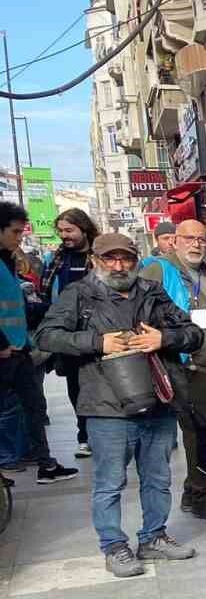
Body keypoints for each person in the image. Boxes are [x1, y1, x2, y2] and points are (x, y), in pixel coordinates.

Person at [34, 232, 204, 576]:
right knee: (110, 482)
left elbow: (193, 333)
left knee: (157, 476)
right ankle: (114, 546)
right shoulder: (79, 294)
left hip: (157, 397)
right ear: (96, 261)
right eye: (109, 259)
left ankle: (153, 536)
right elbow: (45, 337)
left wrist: (163, 338)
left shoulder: (151, 292)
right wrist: (98, 342)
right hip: (106, 404)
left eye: (125, 258)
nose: (118, 265)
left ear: (135, 259)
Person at [144, 219, 206, 522]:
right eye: (189, 238)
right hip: (185, 364)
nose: (196, 244)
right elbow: (140, 311)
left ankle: (193, 488)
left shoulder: (205, 271)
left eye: (202, 239)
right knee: (200, 433)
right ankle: (202, 496)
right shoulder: (159, 269)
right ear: (174, 240)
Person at [0, 202, 78, 482]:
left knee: (33, 407)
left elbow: (15, 306)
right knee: (7, 410)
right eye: (15, 232)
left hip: (19, 349)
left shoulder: (7, 261)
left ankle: (46, 463)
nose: (19, 237)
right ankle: (7, 462)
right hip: (5, 352)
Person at [43, 207, 100, 458]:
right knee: (75, 387)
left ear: (83, 228)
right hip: (68, 336)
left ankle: (104, 433)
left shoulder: (101, 254)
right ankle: (84, 435)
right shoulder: (55, 260)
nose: (64, 235)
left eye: (69, 230)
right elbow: (46, 293)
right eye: (61, 231)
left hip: (98, 331)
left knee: (102, 385)